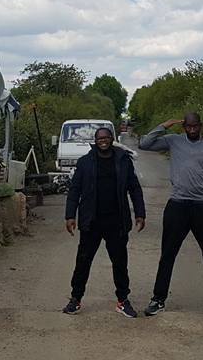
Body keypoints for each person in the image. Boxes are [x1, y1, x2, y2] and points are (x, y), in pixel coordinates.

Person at [139, 112, 203, 317]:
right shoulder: (173, 141)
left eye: (195, 127)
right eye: (188, 127)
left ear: (200, 126)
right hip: (177, 206)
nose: (192, 130)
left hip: (202, 207)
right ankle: (158, 300)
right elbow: (144, 144)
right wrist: (164, 124)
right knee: (168, 254)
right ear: (184, 127)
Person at [63, 127, 146, 318]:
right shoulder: (85, 162)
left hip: (116, 222)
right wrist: (70, 216)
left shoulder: (123, 161)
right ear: (95, 140)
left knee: (120, 263)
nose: (103, 140)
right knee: (83, 261)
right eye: (100, 138)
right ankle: (75, 299)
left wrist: (140, 213)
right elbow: (75, 190)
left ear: (112, 139)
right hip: (91, 221)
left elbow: (134, 189)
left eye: (107, 137)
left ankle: (123, 301)